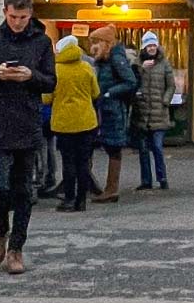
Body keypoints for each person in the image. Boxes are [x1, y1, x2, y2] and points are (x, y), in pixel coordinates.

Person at [0, 0, 56, 274]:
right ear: (5, 12)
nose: (18, 22)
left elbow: (50, 82)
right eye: (14, 17)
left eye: (23, 17)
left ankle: (16, 248)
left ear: (30, 15)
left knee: (23, 191)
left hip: (26, 123)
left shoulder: (41, 42)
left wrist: (31, 76)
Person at [48, 34, 101, 211]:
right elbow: (95, 93)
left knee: (68, 162)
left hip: (64, 123)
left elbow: (46, 98)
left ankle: (69, 199)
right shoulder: (87, 67)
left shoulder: (55, 70)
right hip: (86, 121)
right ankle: (81, 200)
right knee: (83, 162)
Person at [91, 28, 137, 202]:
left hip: (112, 110)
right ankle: (102, 187)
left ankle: (111, 189)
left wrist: (110, 93)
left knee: (113, 148)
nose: (93, 46)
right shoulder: (105, 60)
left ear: (105, 43)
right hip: (104, 108)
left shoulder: (116, 59)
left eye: (96, 42)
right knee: (108, 147)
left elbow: (130, 81)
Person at [130, 32, 175, 191]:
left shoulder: (164, 64)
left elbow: (171, 85)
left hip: (159, 112)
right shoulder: (137, 64)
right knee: (142, 150)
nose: (152, 48)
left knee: (157, 147)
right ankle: (146, 180)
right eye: (149, 45)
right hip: (142, 112)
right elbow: (132, 82)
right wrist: (141, 69)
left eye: (154, 45)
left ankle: (162, 178)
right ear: (144, 47)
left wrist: (165, 100)